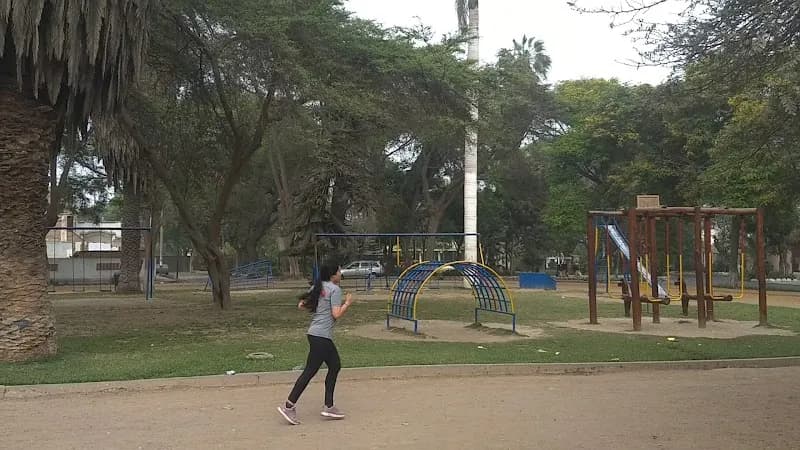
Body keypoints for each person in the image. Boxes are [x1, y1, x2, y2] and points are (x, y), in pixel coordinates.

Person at [277, 263, 354, 425]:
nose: (341, 273)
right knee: (310, 371)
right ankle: (289, 406)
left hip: (314, 333)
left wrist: (319, 308)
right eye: (339, 271)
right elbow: (336, 314)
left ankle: (329, 406)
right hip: (322, 337)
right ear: (333, 275)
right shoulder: (334, 289)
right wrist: (347, 303)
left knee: (335, 365)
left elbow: (301, 305)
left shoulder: (318, 287)